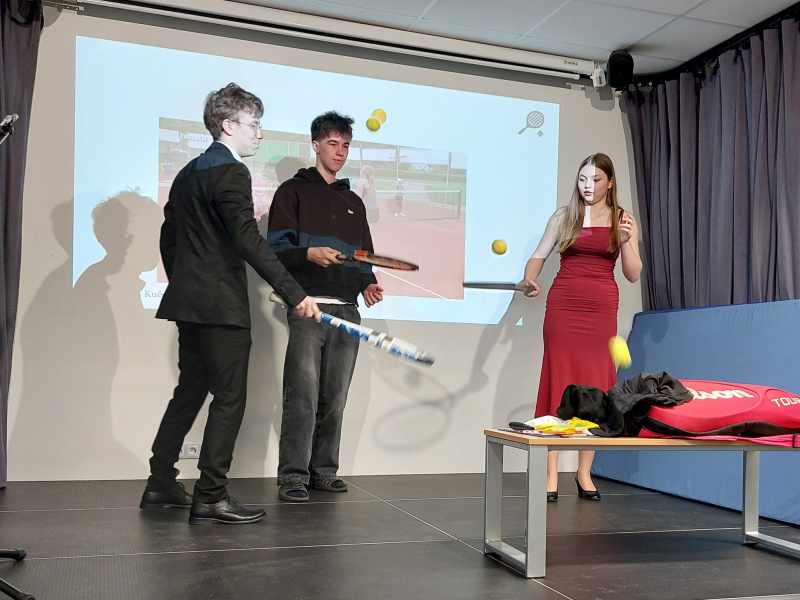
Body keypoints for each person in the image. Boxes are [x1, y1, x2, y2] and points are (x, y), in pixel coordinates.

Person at [140, 83, 321, 525]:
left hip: (190, 304)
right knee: (228, 398)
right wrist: (296, 293)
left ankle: (160, 483)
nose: (259, 133)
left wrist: (187, 282)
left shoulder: (188, 173)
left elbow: (169, 238)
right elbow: (247, 239)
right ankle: (210, 495)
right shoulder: (231, 172)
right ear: (228, 125)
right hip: (220, 306)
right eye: (253, 124)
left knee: (190, 392)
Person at [267, 111, 384, 502]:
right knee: (301, 395)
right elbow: (276, 249)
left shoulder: (354, 202)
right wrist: (308, 253)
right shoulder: (292, 192)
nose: (340, 151)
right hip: (308, 307)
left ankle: (324, 471)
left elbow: (363, 255)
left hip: (347, 311)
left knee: (335, 398)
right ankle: (292, 476)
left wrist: (367, 282)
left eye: (345, 145)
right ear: (315, 145)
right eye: (333, 143)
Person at [522, 153, 642, 503]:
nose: (588, 186)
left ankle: (584, 472)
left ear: (610, 182)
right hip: (564, 306)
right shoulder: (564, 216)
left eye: (596, 180)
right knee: (558, 382)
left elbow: (633, 273)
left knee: (594, 387)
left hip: (601, 310)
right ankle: (550, 473)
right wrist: (529, 278)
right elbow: (538, 256)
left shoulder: (623, 219)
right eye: (582, 179)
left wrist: (626, 241)